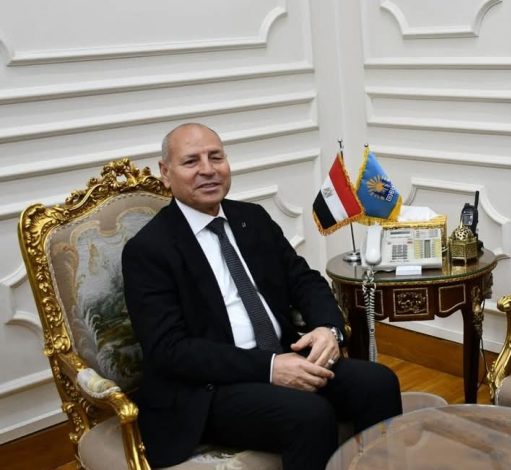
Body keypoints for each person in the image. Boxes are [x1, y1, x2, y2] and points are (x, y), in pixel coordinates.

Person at [122, 123, 402, 469]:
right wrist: (269, 368)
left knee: (379, 382)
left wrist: (328, 329)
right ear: (165, 173)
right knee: (309, 415)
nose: (208, 170)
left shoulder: (251, 218)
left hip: (285, 355)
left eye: (216, 157)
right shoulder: (148, 250)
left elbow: (305, 280)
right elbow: (170, 350)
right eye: (191, 161)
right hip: (209, 388)